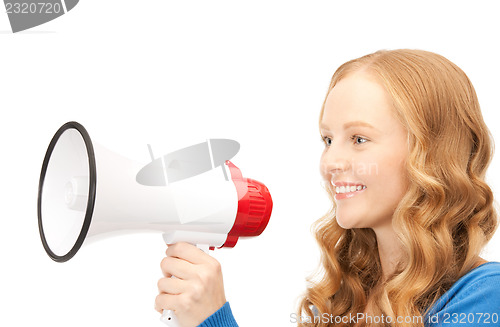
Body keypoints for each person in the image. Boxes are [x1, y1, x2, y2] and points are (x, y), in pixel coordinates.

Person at [154, 49, 500, 327]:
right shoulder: (340, 304)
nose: (330, 162)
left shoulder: (485, 296)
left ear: (431, 153)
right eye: (328, 139)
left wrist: (214, 322)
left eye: (359, 139)